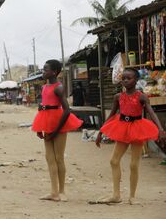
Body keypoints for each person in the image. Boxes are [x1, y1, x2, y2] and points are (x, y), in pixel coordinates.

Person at [93, 68, 165, 205]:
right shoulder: (118, 97)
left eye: (129, 78)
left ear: (136, 80)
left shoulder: (142, 96)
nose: (125, 80)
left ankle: (132, 197)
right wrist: (101, 131)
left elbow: (151, 113)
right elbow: (112, 115)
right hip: (122, 127)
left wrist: (160, 129)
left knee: (134, 164)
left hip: (137, 128)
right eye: (123, 78)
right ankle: (116, 195)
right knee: (114, 161)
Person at [31, 60, 83, 202]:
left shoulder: (59, 87)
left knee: (59, 158)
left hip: (59, 123)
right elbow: (43, 106)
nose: (43, 71)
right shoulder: (45, 86)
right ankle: (53, 192)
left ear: (54, 72)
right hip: (46, 122)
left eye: (46, 69)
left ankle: (62, 191)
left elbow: (67, 110)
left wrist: (56, 131)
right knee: (49, 158)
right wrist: (39, 127)